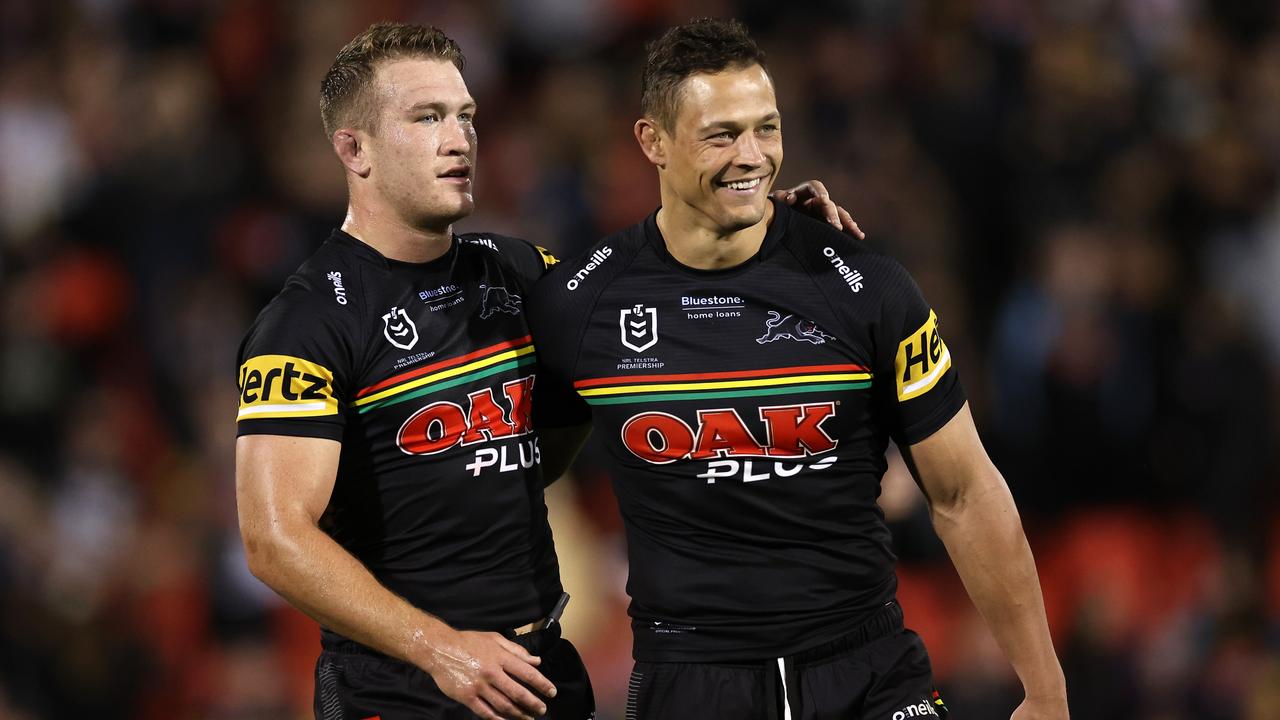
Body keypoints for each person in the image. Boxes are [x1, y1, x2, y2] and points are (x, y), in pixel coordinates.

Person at [235, 21, 858, 720]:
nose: (458, 138)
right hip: (406, 690)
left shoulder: (516, 272)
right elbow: (274, 540)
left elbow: (657, 287)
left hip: (541, 675)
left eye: (466, 115)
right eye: (427, 117)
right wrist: (440, 648)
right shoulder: (307, 322)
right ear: (354, 149)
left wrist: (757, 223)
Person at [527, 18, 1069, 720]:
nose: (752, 155)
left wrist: (1046, 690)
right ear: (651, 142)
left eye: (767, 128)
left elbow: (964, 493)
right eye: (722, 134)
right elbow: (513, 473)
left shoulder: (865, 287)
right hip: (692, 686)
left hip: (869, 674)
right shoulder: (579, 305)